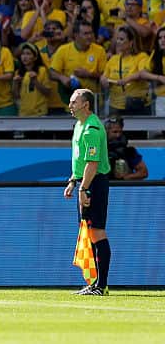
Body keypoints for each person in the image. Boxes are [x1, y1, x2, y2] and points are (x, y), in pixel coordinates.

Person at [63, 88, 112, 296]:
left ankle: (101, 285)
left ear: (86, 104)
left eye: (74, 102)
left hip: (94, 183)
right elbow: (80, 160)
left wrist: (84, 188)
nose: (70, 106)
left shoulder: (92, 128)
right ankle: (94, 283)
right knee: (89, 232)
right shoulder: (79, 126)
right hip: (85, 182)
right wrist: (73, 181)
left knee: (97, 231)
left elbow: (92, 164)